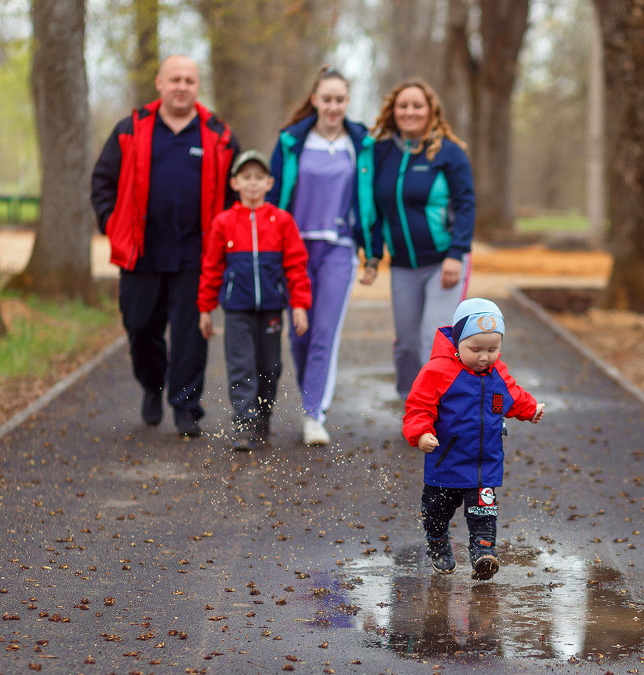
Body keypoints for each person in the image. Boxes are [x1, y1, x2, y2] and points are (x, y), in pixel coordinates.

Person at [91, 55, 240, 438]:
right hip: (141, 253)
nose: (182, 86)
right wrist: (113, 226)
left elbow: (234, 194)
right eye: (175, 78)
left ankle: (187, 406)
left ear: (197, 86)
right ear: (159, 82)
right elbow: (102, 182)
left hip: (197, 254)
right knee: (140, 328)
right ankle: (153, 385)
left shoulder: (219, 137)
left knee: (192, 336)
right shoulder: (130, 129)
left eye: (190, 80)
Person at [270, 67, 378, 446]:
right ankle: (311, 398)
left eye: (340, 100)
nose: (333, 106)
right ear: (314, 99)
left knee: (323, 334)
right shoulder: (290, 142)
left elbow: (370, 202)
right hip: (294, 250)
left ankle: (314, 414)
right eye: (326, 99)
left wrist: (372, 255)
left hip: (339, 249)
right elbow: (272, 196)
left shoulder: (360, 145)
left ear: (347, 102)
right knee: (299, 334)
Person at [402, 298, 546, 580]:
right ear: (457, 342)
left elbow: (513, 395)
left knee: (484, 513)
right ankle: (439, 543)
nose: (485, 357)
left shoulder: (497, 373)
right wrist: (421, 434)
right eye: (475, 349)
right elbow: (418, 407)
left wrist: (531, 409)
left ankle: (483, 553)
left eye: (493, 349)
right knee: (436, 512)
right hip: (446, 462)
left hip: (483, 466)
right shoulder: (437, 372)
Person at [369, 78, 476, 399]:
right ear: (393, 111)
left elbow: (466, 204)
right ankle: (410, 403)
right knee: (406, 344)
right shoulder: (380, 154)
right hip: (402, 265)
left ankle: (439, 408)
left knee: (436, 338)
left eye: (417, 105)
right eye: (403, 106)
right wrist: (373, 255)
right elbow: (372, 209)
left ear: (431, 111)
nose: (410, 112)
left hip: (443, 261)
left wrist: (456, 254)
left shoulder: (449, 153)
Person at [198, 150, 312, 452]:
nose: (252, 183)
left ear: (269, 183)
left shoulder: (282, 221)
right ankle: (243, 424)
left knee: (269, 367)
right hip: (237, 311)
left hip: (272, 310)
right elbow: (211, 267)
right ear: (234, 183)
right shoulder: (223, 222)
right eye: (246, 177)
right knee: (241, 367)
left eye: (258, 178)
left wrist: (299, 305)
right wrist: (205, 309)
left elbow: (296, 266)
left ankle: (263, 418)